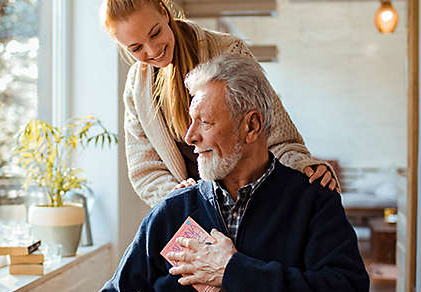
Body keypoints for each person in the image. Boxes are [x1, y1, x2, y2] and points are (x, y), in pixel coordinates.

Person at [97, 55, 370, 292]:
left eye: (205, 122)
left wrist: (233, 270)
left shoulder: (313, 202)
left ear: (251, 126)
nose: (190, 136)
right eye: (191, 121)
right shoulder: (172, 211)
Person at [101, 0, 339, 207]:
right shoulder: (136, 87)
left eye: (155, 33)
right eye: (136, 48)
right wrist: (176, 197)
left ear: (164, 13)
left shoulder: (228, 51)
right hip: (191, 212)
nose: (152, 50)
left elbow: (275, 132)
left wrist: (303, 166)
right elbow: (145, 169)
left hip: (252, 199)